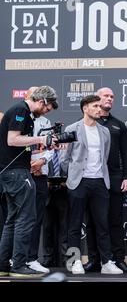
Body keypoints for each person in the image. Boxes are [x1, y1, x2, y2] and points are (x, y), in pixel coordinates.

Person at [60, 95, 123, 275]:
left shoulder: (105, 132)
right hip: (79, 182)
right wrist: (72, 177)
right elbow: (65, 159)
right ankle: (75, 262)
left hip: (100, 182)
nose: (99, 109)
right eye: (95, 106)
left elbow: (105, 157)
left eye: (99, 106)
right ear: (85, 108)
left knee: (102, 224)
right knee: (74, 224)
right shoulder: (72, 129)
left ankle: (106, 262)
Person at [0, 85, 58, 277]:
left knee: (12, 219)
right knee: (26, 218)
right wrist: (41, 138)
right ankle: (19, 265)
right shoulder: (20, 110)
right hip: (16, 173)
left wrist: (45, 144)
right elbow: (13, 140)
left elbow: (20, 146)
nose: (46, 112)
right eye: (47, 108)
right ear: (42, 101)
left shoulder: (26, 114)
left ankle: (3, 265)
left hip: (13, 171)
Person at [84, 87, 127, 273]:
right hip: (92, 177)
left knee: (114, 219)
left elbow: (126, 154)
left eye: (112, 96)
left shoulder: (118, 125)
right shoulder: (86, 124)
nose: (110, 99)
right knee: (93, 221)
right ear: (96, 99)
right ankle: (94, 259)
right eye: (106, 96)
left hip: (113, 177)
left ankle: (118, 259)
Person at [25, 87, 55, 274]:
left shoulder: (46, 121)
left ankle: (31, 258)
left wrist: (42, 161)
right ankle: (15, 257)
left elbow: (51, 146)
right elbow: (14, 143)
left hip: (41, 174)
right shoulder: (20, 117)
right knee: (20, 219)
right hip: (22, 174)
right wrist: (29, 165)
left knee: (36, 218)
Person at [41, 145, 69, 268]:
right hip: (47, 194)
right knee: (47, 228)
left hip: (64, 193)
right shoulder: (44, 154)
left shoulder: (66, 152)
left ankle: (66, 258)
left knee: (65, 228)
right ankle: (47, 258)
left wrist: (67, 181)